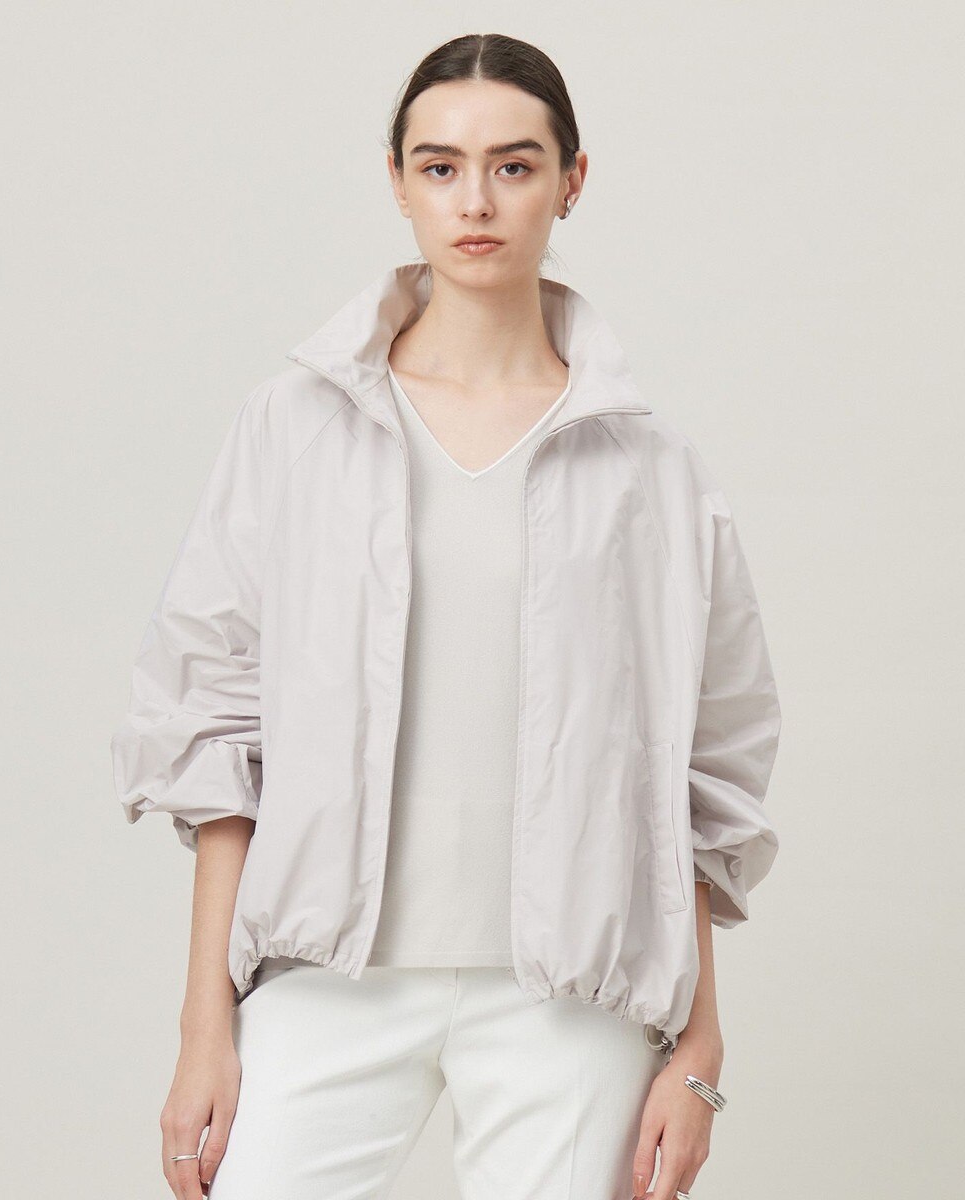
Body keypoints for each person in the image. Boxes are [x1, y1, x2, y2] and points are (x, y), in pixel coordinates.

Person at [110, 32, 781, 1200]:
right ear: (397, 181)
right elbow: (216, 728)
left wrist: (698, 1044)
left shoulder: (648, 469)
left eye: (514, 166)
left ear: (572, 181)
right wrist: (203, 1027)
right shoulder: (294, 429)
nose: (475, 201)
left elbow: (693, 774)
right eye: (440, 167)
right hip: (328, 975)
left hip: (566, 1003)